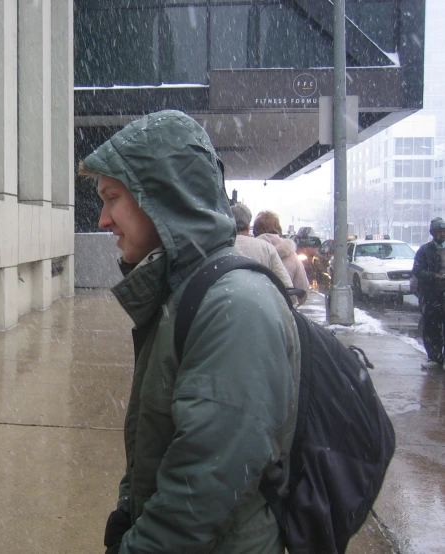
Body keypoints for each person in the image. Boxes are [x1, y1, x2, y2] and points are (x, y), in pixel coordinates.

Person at [80, 110, 300, 553]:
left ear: (163, 197)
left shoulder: (233, 307)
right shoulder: (184, 294)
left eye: (113, 198)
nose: (103, 219)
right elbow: (161, 447)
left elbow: (198, 497)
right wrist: (129, 510)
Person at [230, 203, 293, 289]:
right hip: (262, 300)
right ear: (248, 227)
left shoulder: (218, 247)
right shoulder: (266, 248)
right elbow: (286, 287)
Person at [253, 210, 310, 305]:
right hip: (283, 311)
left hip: (256, 309)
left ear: (256, 229)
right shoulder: (292, 255)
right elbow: (302, 288)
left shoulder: (250, 249)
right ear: (278, 228)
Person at [412, 217, 445, 370]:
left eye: (444, 231)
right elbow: (417, 271)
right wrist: (434, 276)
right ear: (433, 233)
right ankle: (435, 358)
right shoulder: (425, 251)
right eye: (440, 231)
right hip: (431, 295)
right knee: (431, 327)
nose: (443, 234)